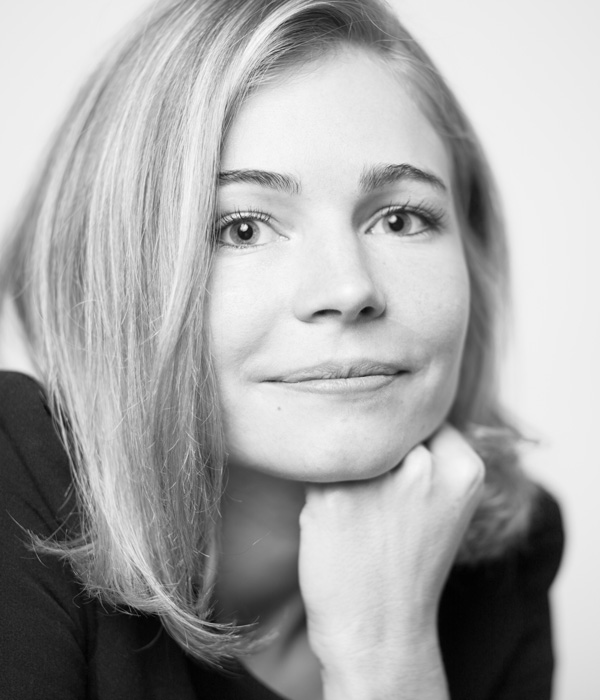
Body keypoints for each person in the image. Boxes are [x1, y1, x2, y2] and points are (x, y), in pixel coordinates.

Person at [0, 0, 564, 698]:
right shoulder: (16, 474)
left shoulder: (509, 557)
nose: (349, 288)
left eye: (400, 218)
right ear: (112, 275)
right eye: (242, 228)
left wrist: (387, 650)